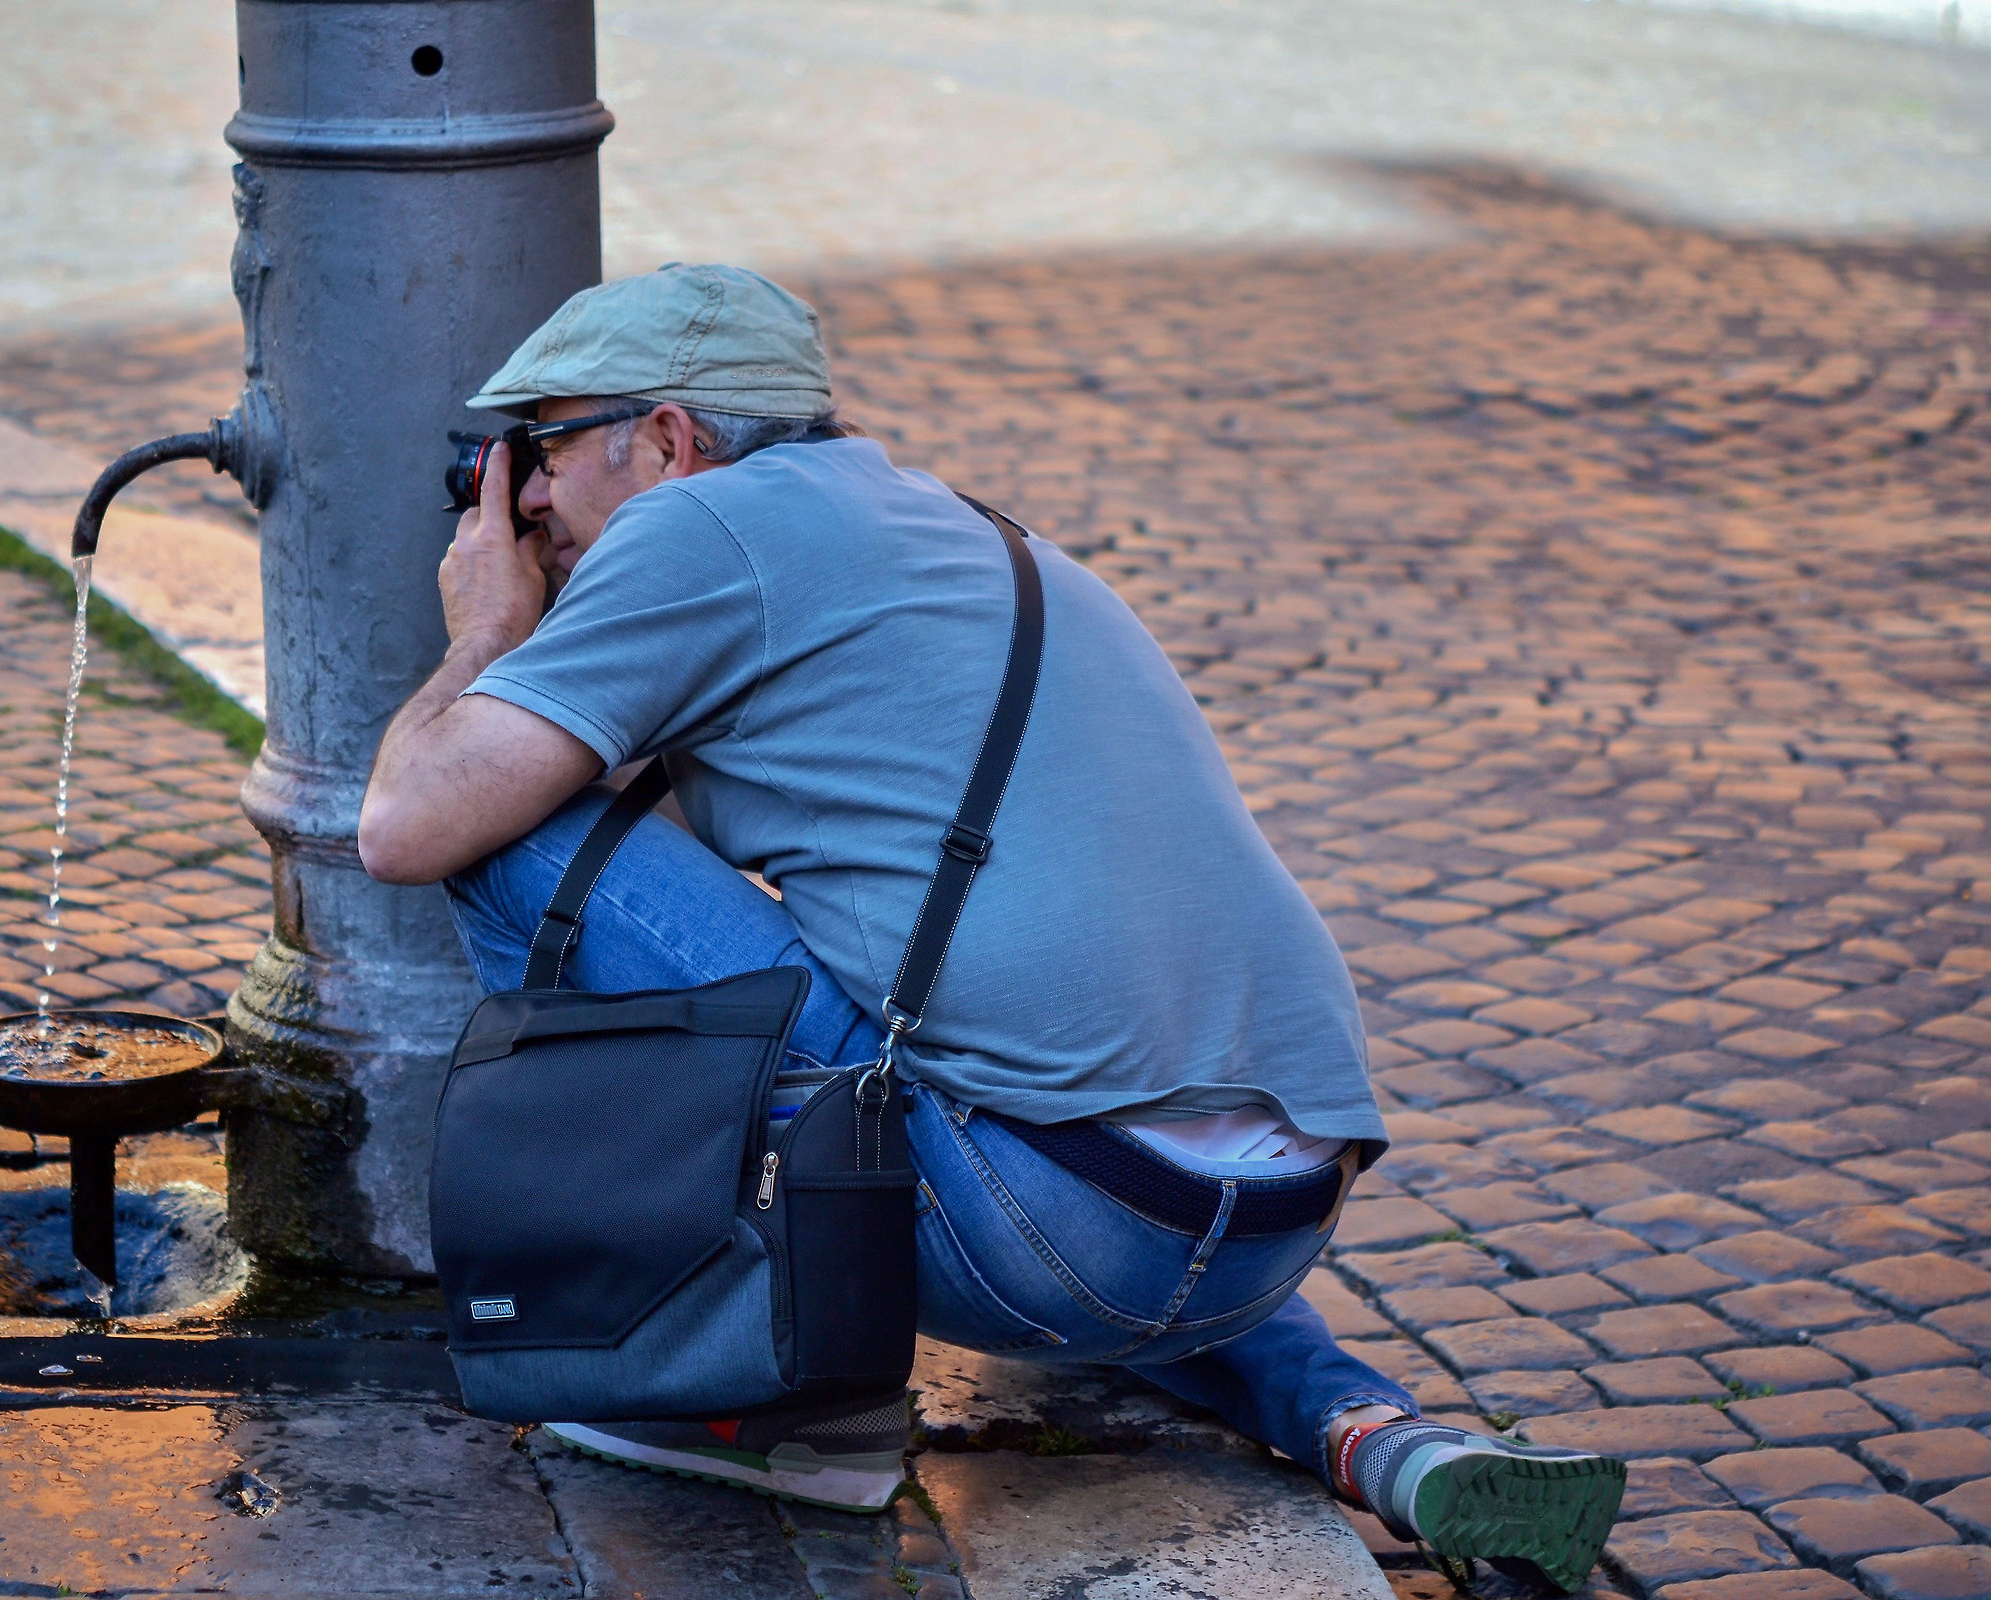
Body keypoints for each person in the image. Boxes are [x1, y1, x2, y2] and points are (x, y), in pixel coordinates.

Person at [359, 264, 1624, 1593]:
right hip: (1260, 1224)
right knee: (1091, 1167)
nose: (528, 494)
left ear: (671, 440)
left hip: (1058, 1231)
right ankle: (1382, 1436)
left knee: (523, 845)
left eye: (546, 446)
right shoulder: (968, 535)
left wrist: (488, 634)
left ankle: (759, 1395)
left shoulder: (704, 529)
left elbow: (410, 822)